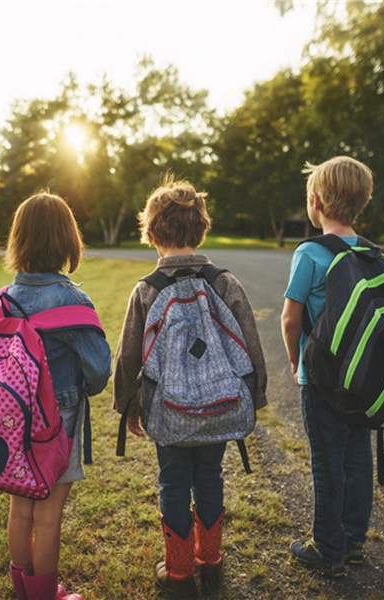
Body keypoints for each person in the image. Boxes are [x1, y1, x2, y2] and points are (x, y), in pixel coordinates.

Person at [113, 175, 268, 598]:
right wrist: (256, 396)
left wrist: (128, 406)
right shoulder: (225, 282)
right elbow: (251, 345)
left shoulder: (146, 290)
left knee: (173, 481)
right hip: (221, 405)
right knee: (211, 475)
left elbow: (128, 356)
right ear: (201, 228)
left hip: (169, 409)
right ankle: (211, 561)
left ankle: (179, 572)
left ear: (151, 233)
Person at [3, 192, 112, 600]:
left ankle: (23, 589)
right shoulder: (72, 301)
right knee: (48, 515)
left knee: (20, 509)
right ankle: (46, 595)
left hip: (13, 420)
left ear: (19, 240)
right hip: (58, 419)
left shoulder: (2, 300)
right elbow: (99, 371)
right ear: (68, 242)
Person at [281, 156, 375, 578]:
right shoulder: (370, 252)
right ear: (362, 203)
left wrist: (295, 361)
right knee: (357, 457)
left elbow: (290, 317)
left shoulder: (310, 252)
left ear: (315, 201)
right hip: (363, 379)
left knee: (326, 459)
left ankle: (327, 546)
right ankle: (354, 541)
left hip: (322, 379)